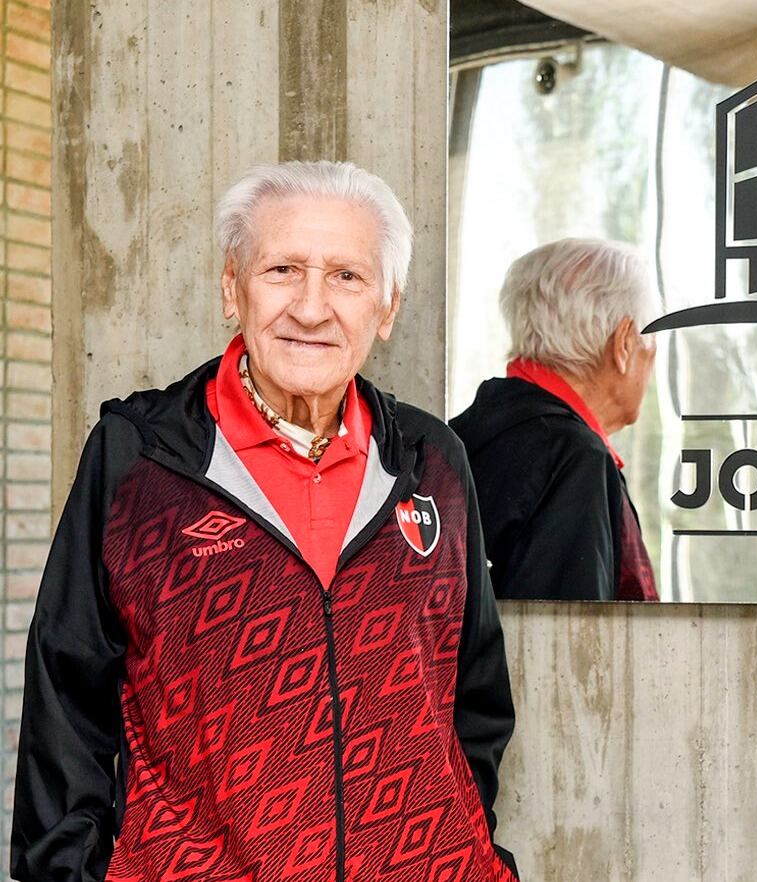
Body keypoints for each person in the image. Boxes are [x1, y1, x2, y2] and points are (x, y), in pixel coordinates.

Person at [11, 161, 518, 882]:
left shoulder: (432, 459)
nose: (311, 308)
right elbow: (66, 704)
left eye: (347, 276)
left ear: (387, 307)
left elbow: (475, 699)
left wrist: (461, 849)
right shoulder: (140, 457)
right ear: (232, 288)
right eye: (282, 269)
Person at [452, 238, 660, 602]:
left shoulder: (460, 436)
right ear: (624, 344)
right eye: (650, 343)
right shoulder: (574, 459)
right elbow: (571, 645)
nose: (652, 361)